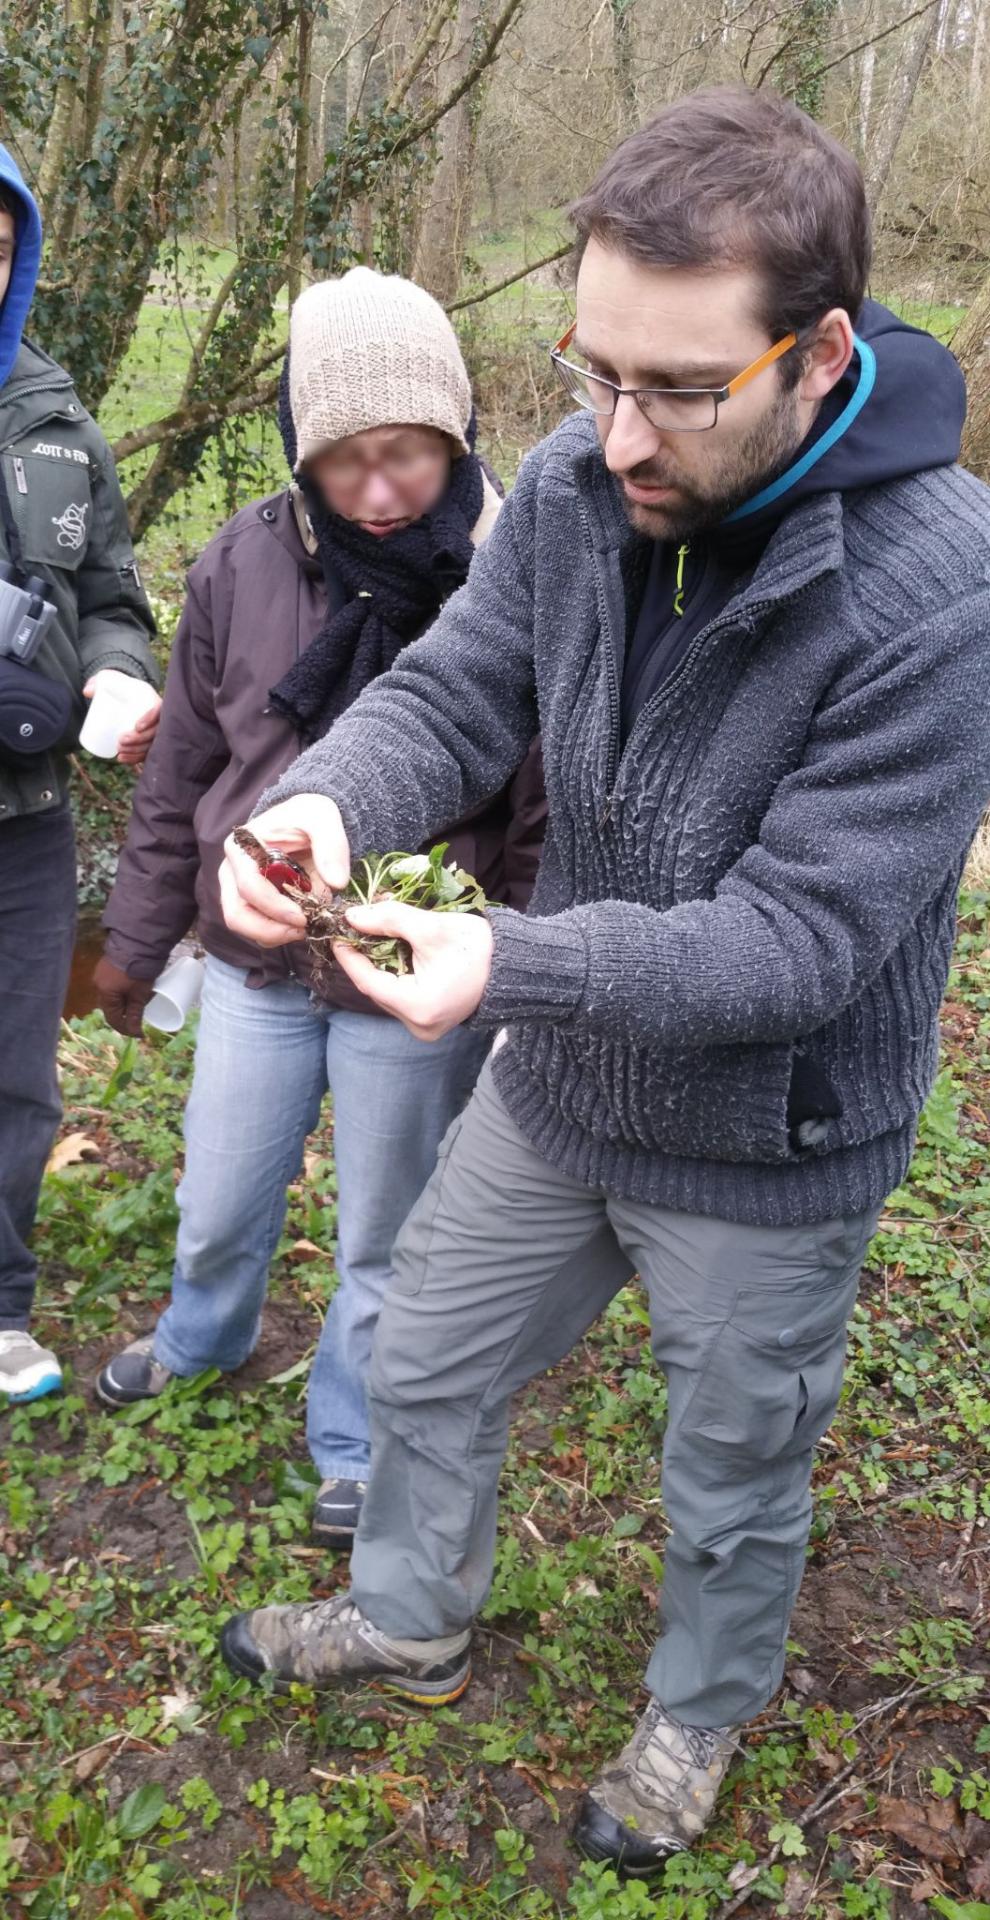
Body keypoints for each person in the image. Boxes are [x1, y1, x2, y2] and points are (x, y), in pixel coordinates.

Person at [214, 90, 990, 1871]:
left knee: (730, 1478)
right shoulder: (576, 486)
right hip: (562, 1095)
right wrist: (330, 800)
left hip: (770, 1142)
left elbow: (797, 942)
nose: (619, 433)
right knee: (418, 1355)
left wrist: (505, 959)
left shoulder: (940, 593)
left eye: (680, 389)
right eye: (590, 369)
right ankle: (409, 1614)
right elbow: (460, 690)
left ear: (822, 353)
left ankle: (696, 1720)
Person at [93, 269, 544, 1550]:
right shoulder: (247, 557)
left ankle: (352, 1435)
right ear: (303, 453)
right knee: (223, 1188)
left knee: (385, 1232)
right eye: (344, 463)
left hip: (411, 970)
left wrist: (516, 976)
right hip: (251, 954)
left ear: (452, 432)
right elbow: (187, 761)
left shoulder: (510, 575)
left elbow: (541, 806)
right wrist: (137, 940)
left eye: (405, 456)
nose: (381, 491)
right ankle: (203, 1330)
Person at [0, 149, 159, 1405]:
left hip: (28, 813)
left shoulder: (61, 426)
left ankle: (1, 1308)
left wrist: (113, 672)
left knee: (17, 1075)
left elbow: (113, 597)